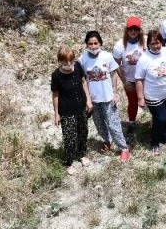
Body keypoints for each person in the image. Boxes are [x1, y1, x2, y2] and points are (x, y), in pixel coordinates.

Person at [79, 30, 131, 162]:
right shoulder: (82, 60)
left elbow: (113, 75)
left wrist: (115, 92)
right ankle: (107, 141)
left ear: (100, 43)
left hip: (108, 97)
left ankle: (124, 148)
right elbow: (82, 80)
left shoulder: (107, 56)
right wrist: (87, 99)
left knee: (113, 124)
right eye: (90, 44)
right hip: (93, 99)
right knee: (99, 123)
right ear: (86, 45)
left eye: (95, 43)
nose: (93, 46)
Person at [135, 29, 166, 155]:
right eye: (152, 43)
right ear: (148, 44)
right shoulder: (144, 59)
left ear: (162, 42)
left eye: (158, 42)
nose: (156, 46)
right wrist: (140, 98)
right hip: (154, 96)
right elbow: (138, 79)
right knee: (160, 119)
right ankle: (154, 142)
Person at [51, 45, 93, 175]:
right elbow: (55, 95)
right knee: (70, 137)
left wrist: (88, 100)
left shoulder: (78, 66)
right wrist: (56, 114)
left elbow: (83, 82)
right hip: (67, 111)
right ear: (60, 61)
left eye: (71, 61)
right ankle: (68, 162)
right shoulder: (56, 75)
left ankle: (81, 154)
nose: (69, 64)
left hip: (81, 107)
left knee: (83, 132)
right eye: (65, 62)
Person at [112, 16, 146, 135]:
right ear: (126, 29)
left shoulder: (145, 41)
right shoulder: (120, 45)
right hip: (130, 80)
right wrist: (125, 82)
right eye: (131, 29)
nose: (133, 31)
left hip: (146, 79)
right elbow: (116, 65)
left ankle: (154, 121)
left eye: (136, 29)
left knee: (150, 100)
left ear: (140, 30)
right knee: (133, 102)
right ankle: (131, 123)